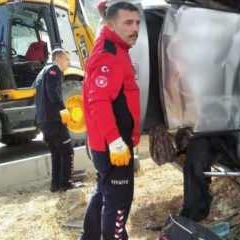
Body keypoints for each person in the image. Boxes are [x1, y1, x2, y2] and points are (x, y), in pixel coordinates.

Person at [80, 2, 140, 240]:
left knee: (104, 191)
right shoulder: (110, 54)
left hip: (106, 140)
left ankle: (90, 237)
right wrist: (116, 141)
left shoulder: (115, 47)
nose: (135, 28)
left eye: (137, 22)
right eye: (128, 23)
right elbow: (99, 102)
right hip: (112, 143)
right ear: (111, 24)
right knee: (119, 199)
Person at [34, 48, 74, 192]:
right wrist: (63, 110)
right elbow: (53, 93)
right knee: (67, 151)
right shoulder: (54, 70)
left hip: (43, 121)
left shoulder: (42, 73)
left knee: (56, 153)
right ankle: (66, 183)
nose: (68, 63)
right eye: (67, 59)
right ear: (58, 58)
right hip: (54, 120)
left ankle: (55, 185)